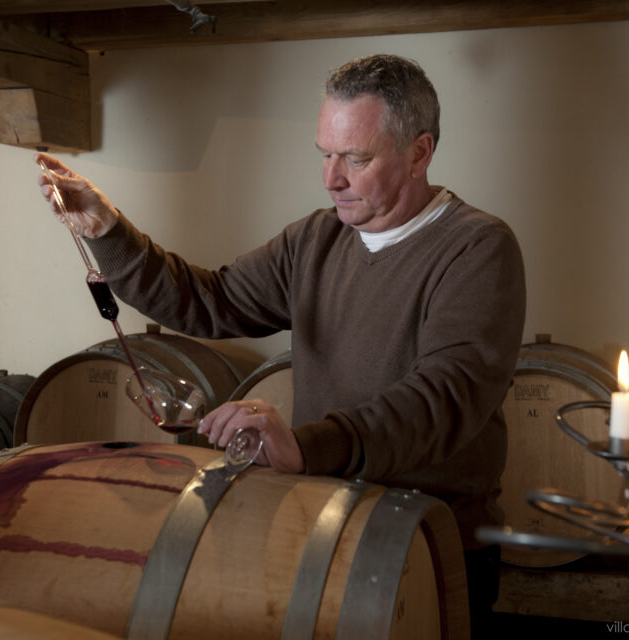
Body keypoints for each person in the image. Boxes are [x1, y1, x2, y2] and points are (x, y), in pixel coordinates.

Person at [36, 54, 525, 636]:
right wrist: (108, 230)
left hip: (432, 541)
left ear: (419, 152)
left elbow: (442, 399)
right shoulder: (315, 239)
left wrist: (309, 447)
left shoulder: (477, 249)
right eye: (325, 153)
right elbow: (206, 300)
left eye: (356, 159)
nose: (331, 178)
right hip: (326, 525)